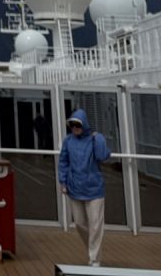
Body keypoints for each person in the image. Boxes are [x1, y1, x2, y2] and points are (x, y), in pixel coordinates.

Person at [57, 108, 110, 266]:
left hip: (94, 189)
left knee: (95, 224)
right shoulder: (68, 141)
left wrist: (99, 140)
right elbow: (63, 162)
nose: (74, 128)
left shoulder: (95, 139)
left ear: (84, 124)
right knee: (80, 223)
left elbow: (102, 156)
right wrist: (63, 181)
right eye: (72, 125)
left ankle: (94, 258)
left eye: (77, 125)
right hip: (75, 188)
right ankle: (92, 249)